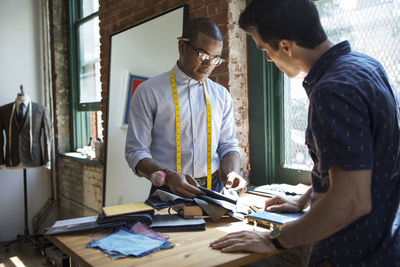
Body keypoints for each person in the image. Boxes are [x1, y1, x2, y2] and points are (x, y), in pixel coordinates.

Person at [210, 0, 400, 266]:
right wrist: (303, 199)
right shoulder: (364, 66)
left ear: (286, 46)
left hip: (352, 252)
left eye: (266, 49)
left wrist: (273, 239)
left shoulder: (333, 90)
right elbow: (358, 164)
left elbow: (352, 200)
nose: (267, 58)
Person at [125, 17, 248, 198]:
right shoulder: (148, 92)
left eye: (215, 59)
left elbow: (228, 145)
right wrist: (165, 177)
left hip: (214, 189)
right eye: (204, 56)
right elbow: (135, 151)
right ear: (182, 47)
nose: (208, 65)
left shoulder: (221, 95)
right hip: (166, 188)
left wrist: (232, 172)